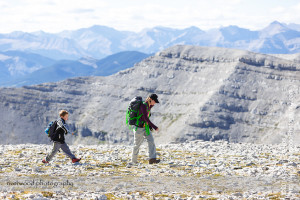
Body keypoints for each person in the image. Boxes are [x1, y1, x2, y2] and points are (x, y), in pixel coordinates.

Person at [131, 94, 160, 164]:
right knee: (137, 145)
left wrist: (149, 127)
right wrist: (154, 127)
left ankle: (152, 159)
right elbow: (145, 118)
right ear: (150, 99)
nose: (155, 103)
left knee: (151, 141)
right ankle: (133, 161)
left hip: (145, 127)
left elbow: (146, 118)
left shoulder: (149, 106)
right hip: (139, 128)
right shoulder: (143, 106)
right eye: (154, 101)